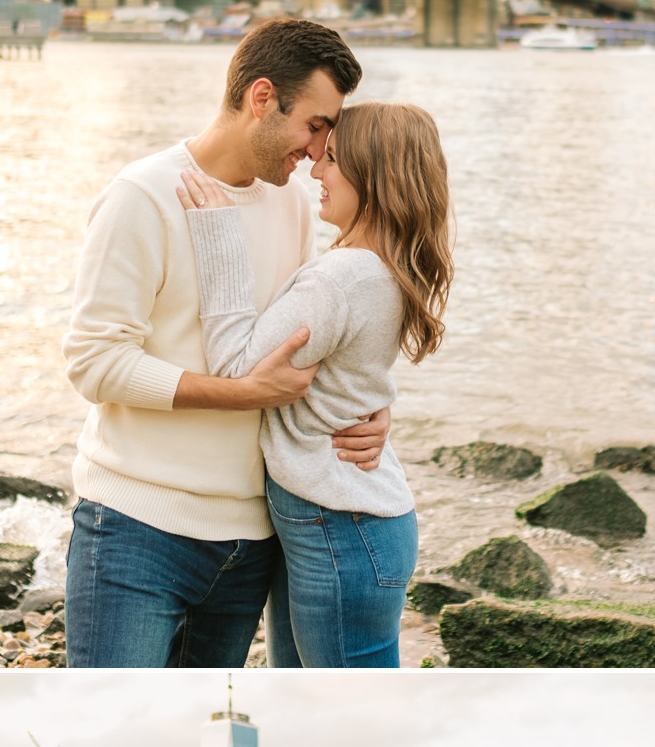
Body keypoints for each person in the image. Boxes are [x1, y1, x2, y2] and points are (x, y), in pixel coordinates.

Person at [62, 16, 390, 668]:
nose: (321, 151)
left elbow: (304, 345)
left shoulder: (293, 205)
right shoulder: (142, 196)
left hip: (251, 541)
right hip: (136, 530)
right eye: (316, 125)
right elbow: (94, 361)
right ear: (261, 98)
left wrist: (372, 413)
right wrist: (241, 393)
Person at [177, 100, 451, 668]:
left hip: (342, 527)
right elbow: (351, 378)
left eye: (332, 161)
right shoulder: (376, 264)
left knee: (346, 723)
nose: (315, 171)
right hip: (343, 521)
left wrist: (218, 233)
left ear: (373, 175)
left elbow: (236, 370)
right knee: (311, 715)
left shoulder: (343, 278)